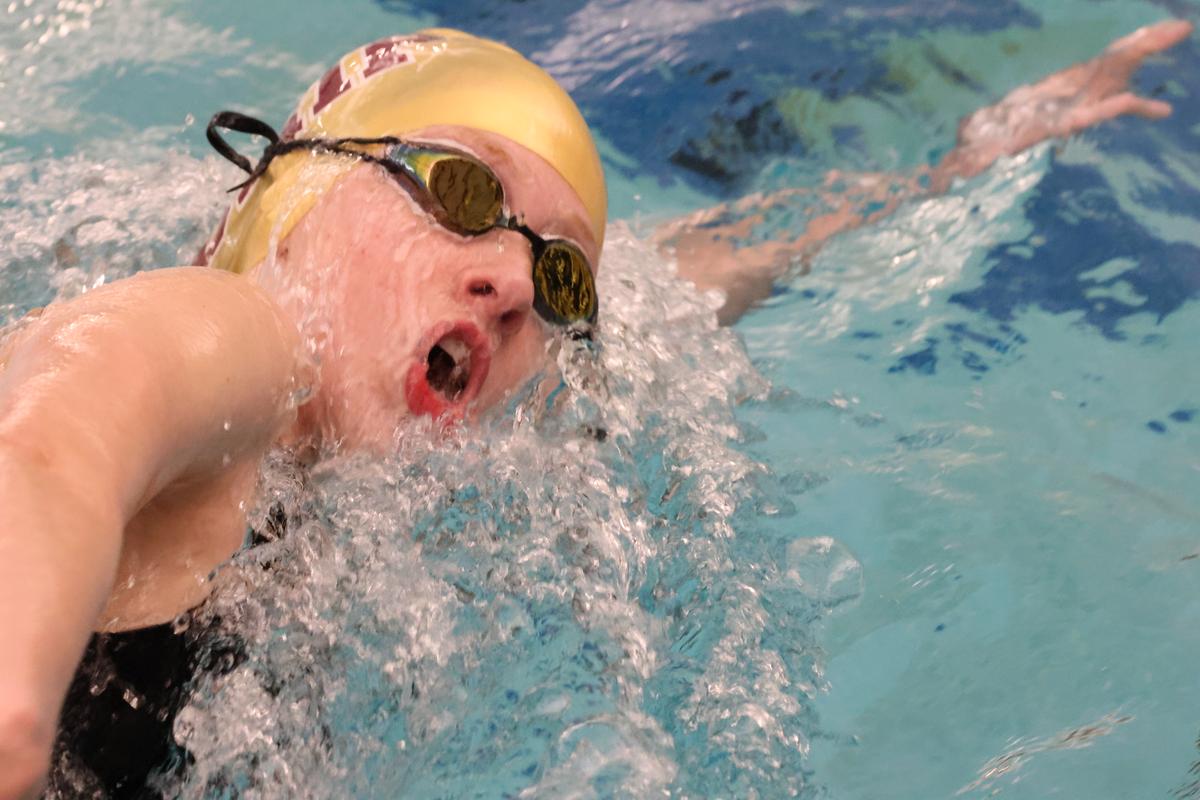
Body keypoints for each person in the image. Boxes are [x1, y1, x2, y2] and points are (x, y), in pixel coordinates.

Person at [0, 20, 1190, 799]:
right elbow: (54, 435)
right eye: (462, 190)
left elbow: (697, 277)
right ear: (302, 195)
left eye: (558, 272)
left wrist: (965, 157)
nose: (514, 283)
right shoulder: (234, 332)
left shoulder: (347, 487)